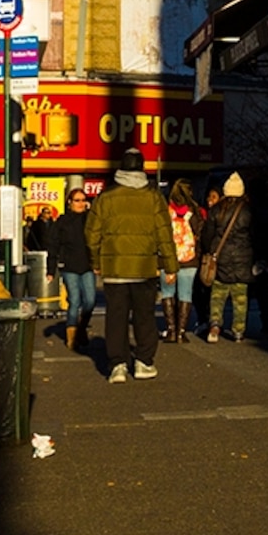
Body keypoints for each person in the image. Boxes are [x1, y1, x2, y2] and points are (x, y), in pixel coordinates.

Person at [88, 147, 179, 383]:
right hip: (144, 267)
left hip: (115, 268)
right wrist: (170, 267)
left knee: (116, 317)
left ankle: (117, 364)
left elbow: (92, 234)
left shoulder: (105, 198)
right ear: (142, 168)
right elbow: (164, 234)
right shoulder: (153, 197)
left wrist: (96, 261)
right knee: (144, 317)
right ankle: (143, 362)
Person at [204, 171, 258, 341]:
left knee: (218, 294)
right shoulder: (248, 210)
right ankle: (238, 330)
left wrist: (209, 250)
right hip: (243, 257)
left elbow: (208, 234)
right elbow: (255, 234)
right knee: (240, 297)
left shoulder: (217, 210)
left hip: (221, 257)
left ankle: (214, 325)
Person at [50, 180, 98, 350]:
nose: (80, 203)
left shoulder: (91, 220)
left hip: (87, 265)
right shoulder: (62, 222)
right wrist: (51, 269)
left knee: (91, 300)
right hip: (69, 266)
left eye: (83, 199)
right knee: (75, 300)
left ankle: (81, 328)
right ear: (69, 202)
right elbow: (54, 245)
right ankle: (72, 337)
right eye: (77, 200)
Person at [162, 177, 205, 341]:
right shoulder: (195, 211)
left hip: (167, 258)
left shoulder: (165, 211)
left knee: (167, 292)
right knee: (185, 294)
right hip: (189, 258)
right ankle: (181, 332)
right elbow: (201, 233)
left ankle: (171, 329)